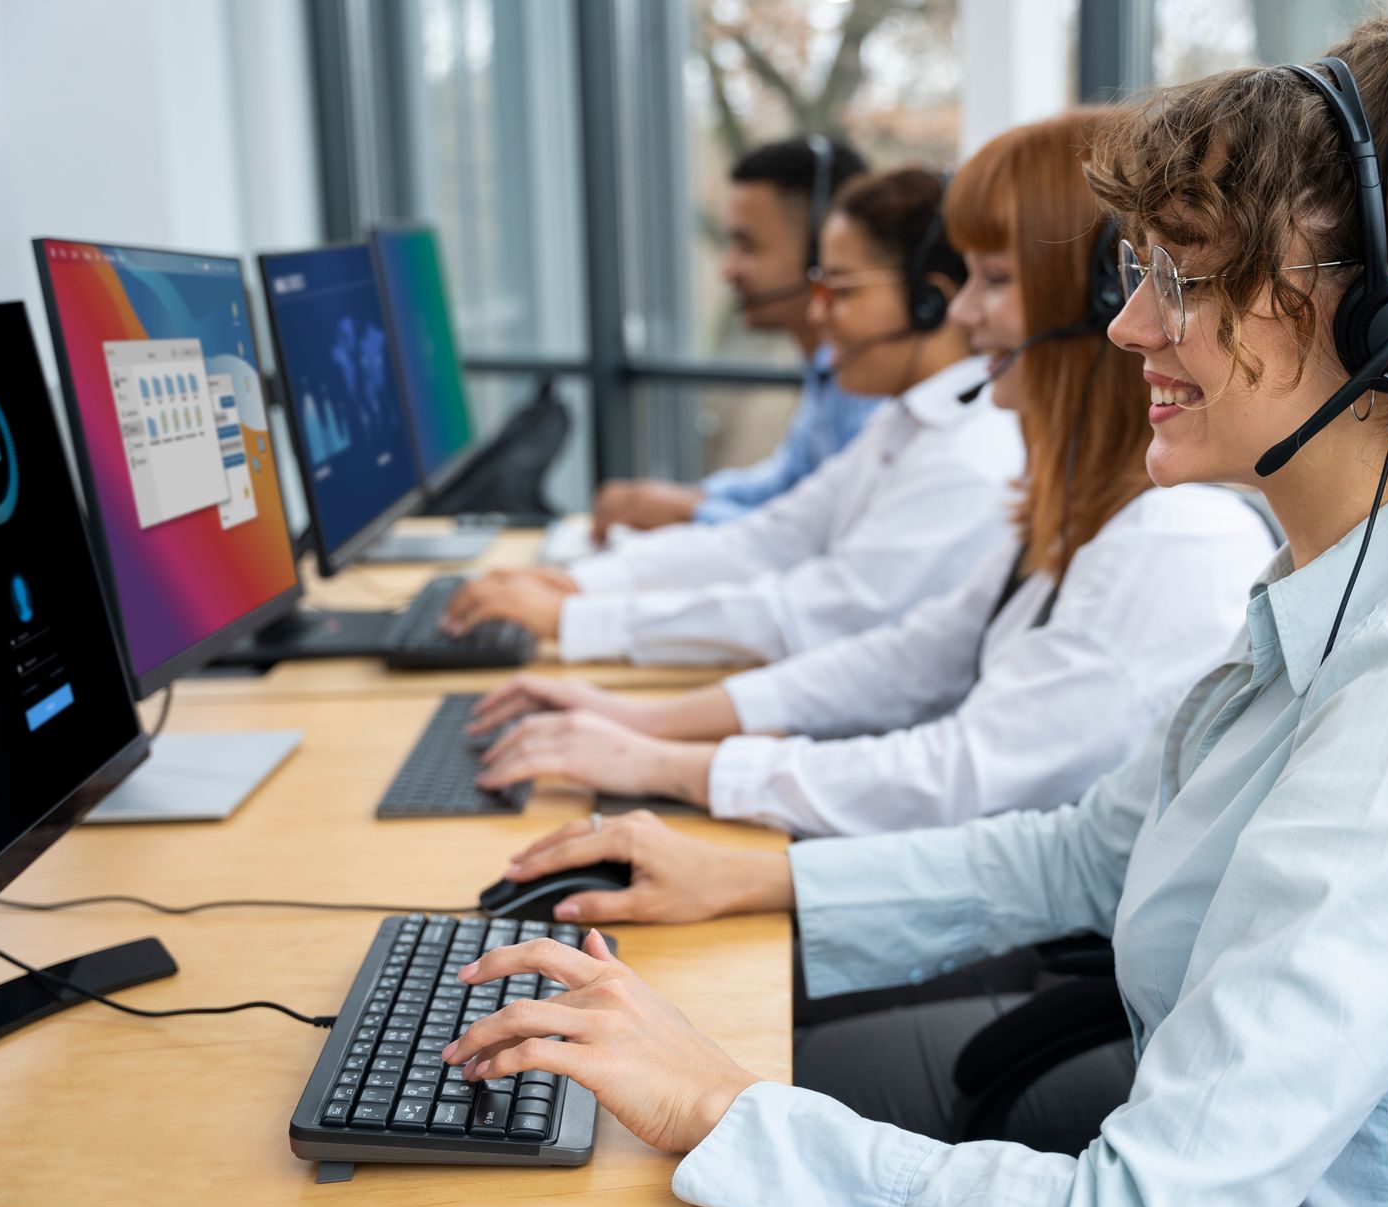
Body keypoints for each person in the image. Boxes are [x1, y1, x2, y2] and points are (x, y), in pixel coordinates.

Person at [438, 2, 1388, 1207]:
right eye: (1138, 274)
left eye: (1189, 279)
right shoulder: (1328, 595)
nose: (1130, 328)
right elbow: (1086, 850)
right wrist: (748, 881)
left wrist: (719, 1106)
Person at [462, 111, 1277, 839]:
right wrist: (640, 723)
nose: (961, 314)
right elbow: (908, 655)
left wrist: (668, 760)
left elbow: (961, 766)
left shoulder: (1163, 540)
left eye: (992, 282)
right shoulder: (1075, 509)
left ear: (1093, 308)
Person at [441, 168, 1024, 666]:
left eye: (840, 291)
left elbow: (818, 613)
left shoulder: (968, 458)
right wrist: (578, 585)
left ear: (931, 303)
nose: (819, 317)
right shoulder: (905, 421)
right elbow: (766, 541)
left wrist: (577, 617)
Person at [579, 136, 882, 545]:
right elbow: (786, 483)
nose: (727, 269)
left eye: (747, 245)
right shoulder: (826, 367)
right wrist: (685, 498)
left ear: (821, 252)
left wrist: (691, 510)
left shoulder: (873, 386)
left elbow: (821, 539)